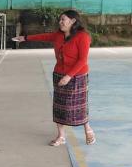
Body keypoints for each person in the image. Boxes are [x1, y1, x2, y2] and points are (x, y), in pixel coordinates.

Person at [13, 10, 95, 147]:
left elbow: (82, 60)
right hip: (59, 74)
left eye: (63, 19)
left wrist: (69, 76)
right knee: (59, 106)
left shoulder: (83, 37)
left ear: (73, 21)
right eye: (60, 20)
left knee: (78, 106)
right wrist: (25, 38)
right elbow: (44, 36)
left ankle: (88, 129)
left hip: (78, 76)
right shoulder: (58, 35)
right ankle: (61, 136)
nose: (60, 22)